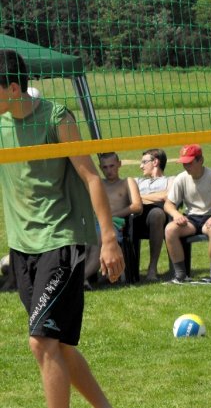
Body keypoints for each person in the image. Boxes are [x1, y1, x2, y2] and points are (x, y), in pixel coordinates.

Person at [0, 49, 124, 407]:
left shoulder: (57, 117)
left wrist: (109, 239)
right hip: (22, 247)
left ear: (11, 88)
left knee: (41, 341)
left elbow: (92, 178)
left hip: (61, 240)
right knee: (60, 345)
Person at [163, 144, 211, 284]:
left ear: (200, 160)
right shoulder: (181, 178)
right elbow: (168, 204)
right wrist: (176, 214)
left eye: (189, 163)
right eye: (184, 163)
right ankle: (180, 275)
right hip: (191, 219)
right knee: (170, 229)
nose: (186, 166)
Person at [84, 152, 142, 284]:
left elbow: (137, 206)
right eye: (105, 167)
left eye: (112, 166)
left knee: (97, 240)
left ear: (119, 164)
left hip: (114, 224)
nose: (109, 170)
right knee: (86, 243)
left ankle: (78, 280)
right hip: (95, 222)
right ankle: (86, 278)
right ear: (100, 167)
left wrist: (111, 216)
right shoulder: (98, 184)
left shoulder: (127, 182)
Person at [133, 149, 173, 281]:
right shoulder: (137, 181)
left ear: (155, 162)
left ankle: (152, 268)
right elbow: (130, 200)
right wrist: (156, 197)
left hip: (161, 219)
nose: (141, 166)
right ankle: (127, 272)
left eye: (144, 162)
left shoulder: (170, 180)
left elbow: (167, 197)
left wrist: (140, 197)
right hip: (137, 217)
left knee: (156, 213)